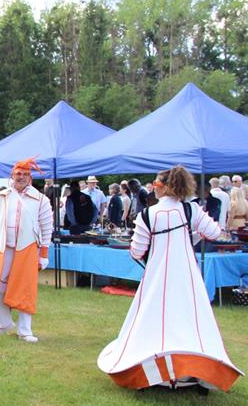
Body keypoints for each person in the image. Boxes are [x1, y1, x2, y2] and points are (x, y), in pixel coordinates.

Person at [98, 166, 242, 391]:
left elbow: (136, 251)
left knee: (152, 320)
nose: (153, 189)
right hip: (186, 275)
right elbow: (214, 232)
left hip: (157, 276)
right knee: (190, 319)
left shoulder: (148, 214)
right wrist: (191, 234)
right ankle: (192, 370)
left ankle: (156, 372)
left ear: (166, 187)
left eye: (156, 184)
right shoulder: (190, 210)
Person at [0, 158, 53, 343]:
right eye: (18, 174)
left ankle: (25, 330)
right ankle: (3, 323)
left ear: (30, 177)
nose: (21, 177)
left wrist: (43, 253)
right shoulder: (0, 197)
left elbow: (46, 227)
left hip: (27, 248)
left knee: (25, 288)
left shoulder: (41, 199)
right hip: (2, 247)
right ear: (12, 176)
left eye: (25, 174)